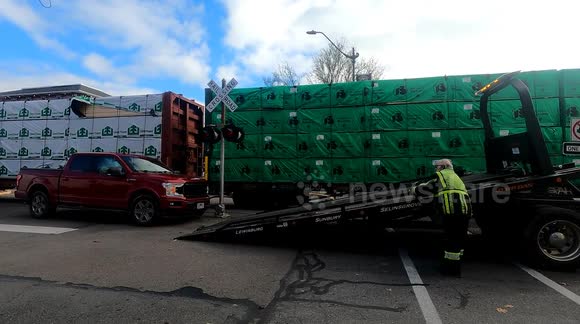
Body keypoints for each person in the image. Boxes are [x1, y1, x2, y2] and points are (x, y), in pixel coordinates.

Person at [412, 159, 472, 277]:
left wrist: (414, 189)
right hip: (464, 211)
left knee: (451, 240)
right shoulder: (454, 176)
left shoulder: (441, 175)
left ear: (443, 167)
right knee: (458, 240)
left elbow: (427, 187)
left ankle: (449, 270)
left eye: (437, 166)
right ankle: (456, 269)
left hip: (452, 211)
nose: (436, 169)